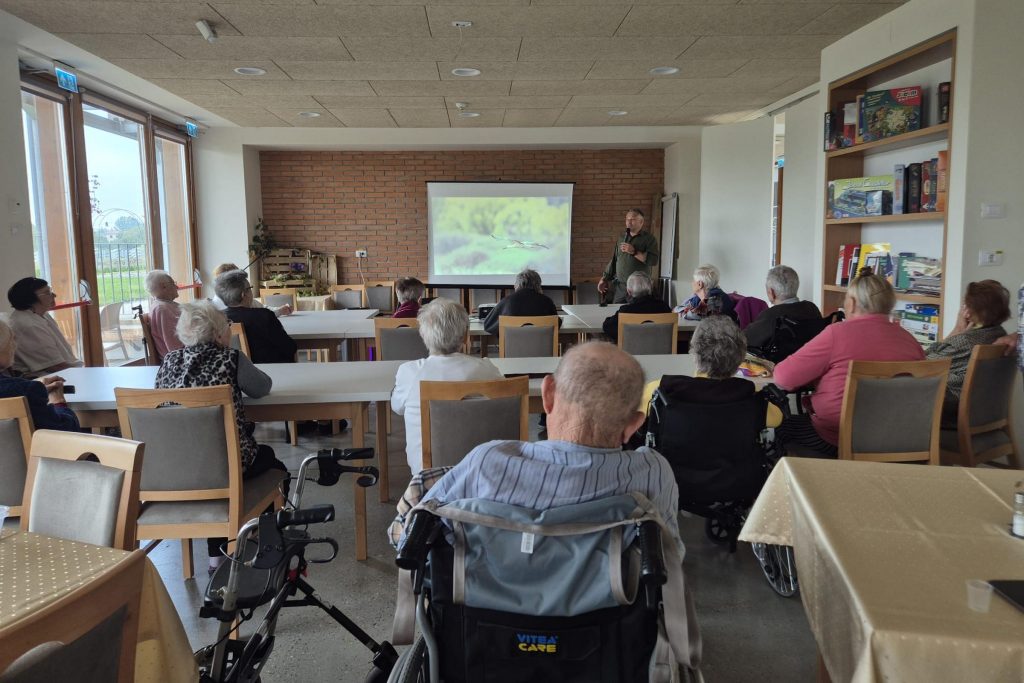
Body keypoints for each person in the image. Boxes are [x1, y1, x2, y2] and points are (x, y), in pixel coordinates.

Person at [407, 341, 683, 556]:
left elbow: (409, 538)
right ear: (633, 426)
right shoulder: (653, 474)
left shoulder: (487, 463)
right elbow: (670, 557)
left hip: (485, 624)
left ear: (548, 395)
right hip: (607, 624)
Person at [155, 301, 288, 572]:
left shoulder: (168, 361)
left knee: (216, 470)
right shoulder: (230, 358)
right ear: (218, 333)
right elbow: (262, 388)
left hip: (174, 469)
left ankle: (218, 557)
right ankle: (257, 538)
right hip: (225, 466)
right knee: (273, 465)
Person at [772, 273, 925, 458]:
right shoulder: (910, 340)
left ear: (851, 303)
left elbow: (783, 378)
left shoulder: (837, 334)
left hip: (838, 439)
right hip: (899, 439)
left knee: (782, 427)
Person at [391, 298, 503, 474]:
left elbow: (397, 407)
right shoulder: (487, 369)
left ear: (422, 334)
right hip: (482, 473)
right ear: (466, 336)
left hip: (429, 477)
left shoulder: (409, 373)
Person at [643, 315, 782, 428]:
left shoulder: (660, 390)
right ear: (740, 359)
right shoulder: (752, 395)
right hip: (734, 462)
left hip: (672, 462)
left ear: (695, 354)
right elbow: (777, 419)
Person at [926, 280, 1011, 424]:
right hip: (982, 410)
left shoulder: (965, 341)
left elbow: (921, 361)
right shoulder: (1002, 335)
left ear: (969, 311)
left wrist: (957, 329)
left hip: (953, 409)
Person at [0, 318, 79, 431]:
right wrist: (57, 401)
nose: (14, 346)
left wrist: (38, 392)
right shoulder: (27, 390)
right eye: (11, 340)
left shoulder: (27, 389)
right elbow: (65, 432)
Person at [5, 277, 83, 378]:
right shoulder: (27, 324)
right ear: (30, 299)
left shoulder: (42, 314)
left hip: (62, 373)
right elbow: (55, 365)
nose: (54, 295)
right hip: (46, 379)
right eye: (47, 293)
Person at [216, 270, 298, 364]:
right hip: (272, 372)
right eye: (250, 288)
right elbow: (290, 347)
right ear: (244, 294)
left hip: (235, 373)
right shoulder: (264, 316)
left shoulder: (217, 320)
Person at [743, 265, 822, 349]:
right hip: (811, 359)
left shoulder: (770, 315)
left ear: (772, 293)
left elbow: (743, 340)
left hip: (778, 361)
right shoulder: (811, 308)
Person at [598, 208, 660, 304]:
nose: (628, 222)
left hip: (639, 287)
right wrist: (604, 279)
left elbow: (653, 261)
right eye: (627, 219)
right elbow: (614, 260)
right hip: (621, 286)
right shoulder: (622, 238)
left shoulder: (649, 239)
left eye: (632, 219)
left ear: (641, 222)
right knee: (617, 313)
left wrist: (634, 252)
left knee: (637, 313)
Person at [482, 269, 558, 336]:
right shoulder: (547, 301)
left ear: (518, 285)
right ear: (538, 285)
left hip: (513, 350)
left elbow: (488, 324)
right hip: (543, 351)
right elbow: (557, 324)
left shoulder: (507, 301)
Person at [602, 271, 672, 342]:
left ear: (629, 291)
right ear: (650, 288)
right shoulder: (664, 307)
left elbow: (607, 327)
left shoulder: (626, 311)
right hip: (661, 352)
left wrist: (608, 319)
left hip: (630, 352)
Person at [210, 263, 292, 317]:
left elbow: (262, 308)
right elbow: (263, 315)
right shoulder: (218, 310)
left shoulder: (245, 299)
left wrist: (280, 310)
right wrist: (280, 311)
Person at [145, 269, 184, 359]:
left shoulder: (164, 305)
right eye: (173, 283)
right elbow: (174, 347)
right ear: (163, 286)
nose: (177, 287)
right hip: (177, 360)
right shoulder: (162, 309)